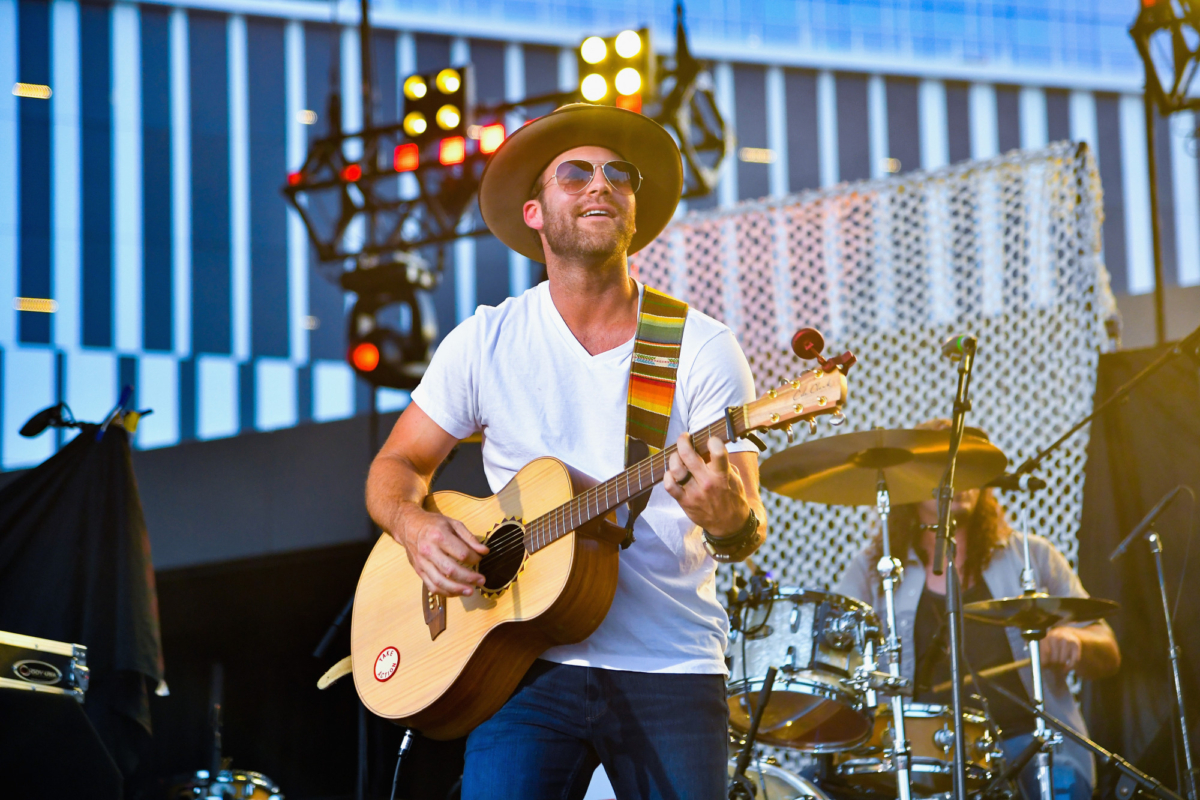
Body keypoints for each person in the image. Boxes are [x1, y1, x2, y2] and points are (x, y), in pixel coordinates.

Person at [365, 104, 769, 800]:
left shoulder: (702, 347)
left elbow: (747, 525)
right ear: (533, 212)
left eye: (619, 174)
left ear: (635, 211)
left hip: (669, 665)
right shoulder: (484, 341)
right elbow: (394, 469)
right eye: (575, 172)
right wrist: (417, 525)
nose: (601, 185)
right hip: (519, 662)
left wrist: (730, 519)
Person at [836, 421, 1120, 800]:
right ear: (912, 481)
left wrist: (1076, 641)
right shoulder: (876, 570)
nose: (959, 478)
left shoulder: (1032, 556)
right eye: (944, 465)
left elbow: (1108, 648)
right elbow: (833, 654)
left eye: (969, 466)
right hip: (923, 756)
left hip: (1031, 744)